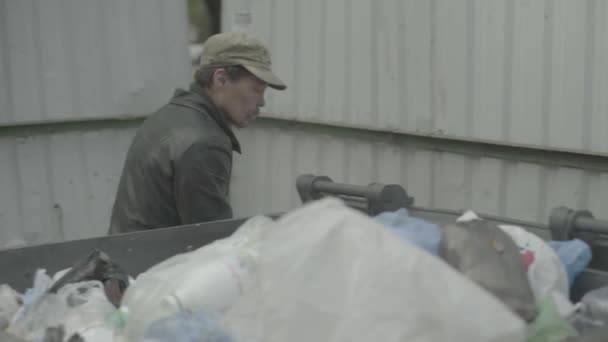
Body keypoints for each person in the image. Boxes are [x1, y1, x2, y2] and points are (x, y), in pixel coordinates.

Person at [108, 32, 286, 234]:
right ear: (221, 79)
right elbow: (210, 241)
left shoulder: (168, 115)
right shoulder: (205, 143)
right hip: (159, 263)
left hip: (130, 256)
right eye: (256, 89)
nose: (262, 102)